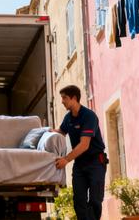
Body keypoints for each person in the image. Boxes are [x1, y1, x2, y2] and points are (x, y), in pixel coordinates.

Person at [52, 85, 108, 220]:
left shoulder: (89, 116)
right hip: (80, 165)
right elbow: (61, 132)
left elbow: (84, 145)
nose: (62, 101)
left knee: (95, 199)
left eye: (64, 98)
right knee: (79, 201)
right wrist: (46, 132)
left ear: (74, 98)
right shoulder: (68, 118)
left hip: (95, 162)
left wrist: (66, 159)